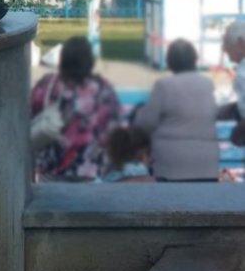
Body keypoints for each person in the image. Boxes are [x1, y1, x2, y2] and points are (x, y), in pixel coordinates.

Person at [30, 36, 121, 180]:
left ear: (63, 60)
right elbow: (114, 127)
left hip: (51, 171)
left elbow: (30, 114)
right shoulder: (103, 89)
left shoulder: (49, 84)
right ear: (90, 61)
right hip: (91, 172)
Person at [135, 38, 219, 181]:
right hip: (206, 162)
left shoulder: (163, 85)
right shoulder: (207, 83)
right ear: (194, 60)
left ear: (169, 62)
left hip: (171, 163)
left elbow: (147, 123)